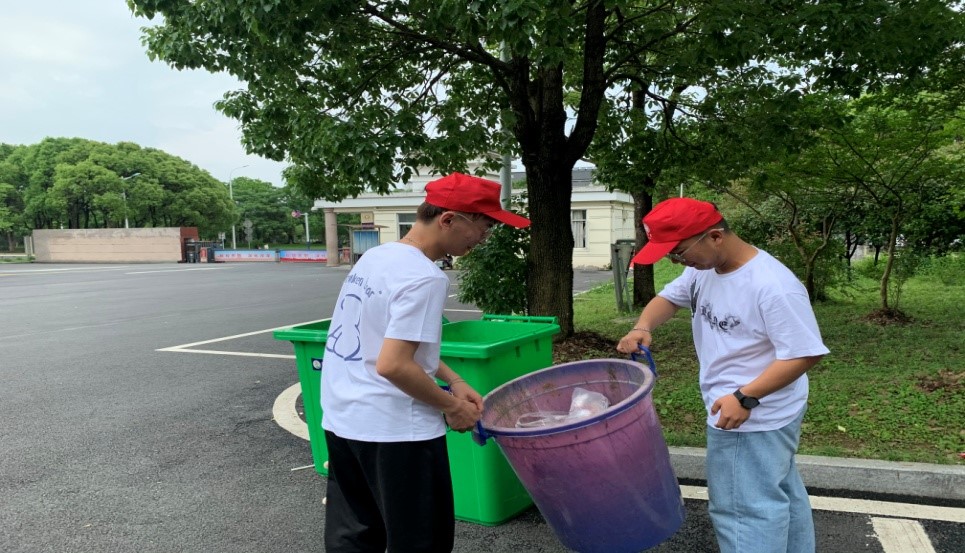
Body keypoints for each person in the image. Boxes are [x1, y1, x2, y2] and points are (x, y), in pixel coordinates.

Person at [321, 172, 530, 553]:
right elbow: (394, 365)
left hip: (344, 420)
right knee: (420, 542)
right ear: (449, 219)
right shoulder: (424, 277)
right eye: (483, 225)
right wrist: (452, 407)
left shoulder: (378, 257)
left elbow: (389, 343)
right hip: (398, 432)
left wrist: (454, 380)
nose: (485, 236)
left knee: (355, 534)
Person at [616, 198, 829, 553]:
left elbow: (805, 353)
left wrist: (745, 396)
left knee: (742, 511)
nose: (676, 261)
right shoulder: (702, 269)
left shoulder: (772, 285)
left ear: (714, 236)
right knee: (778, 491)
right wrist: (643, 326)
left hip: (749, 415)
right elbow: (668, 299)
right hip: (753, 409)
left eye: (680, 252)